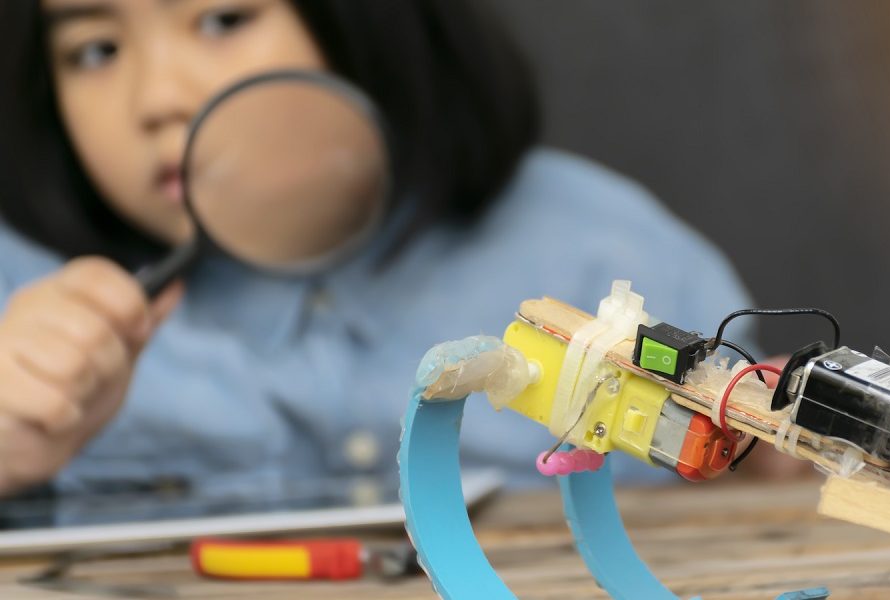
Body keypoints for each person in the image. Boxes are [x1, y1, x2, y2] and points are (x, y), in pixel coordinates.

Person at [0, 0, 757, 512]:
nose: (155, 98)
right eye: (93, 50)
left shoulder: (601, 249)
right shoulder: (23, 294)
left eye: (223, 17)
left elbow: (750, 479)